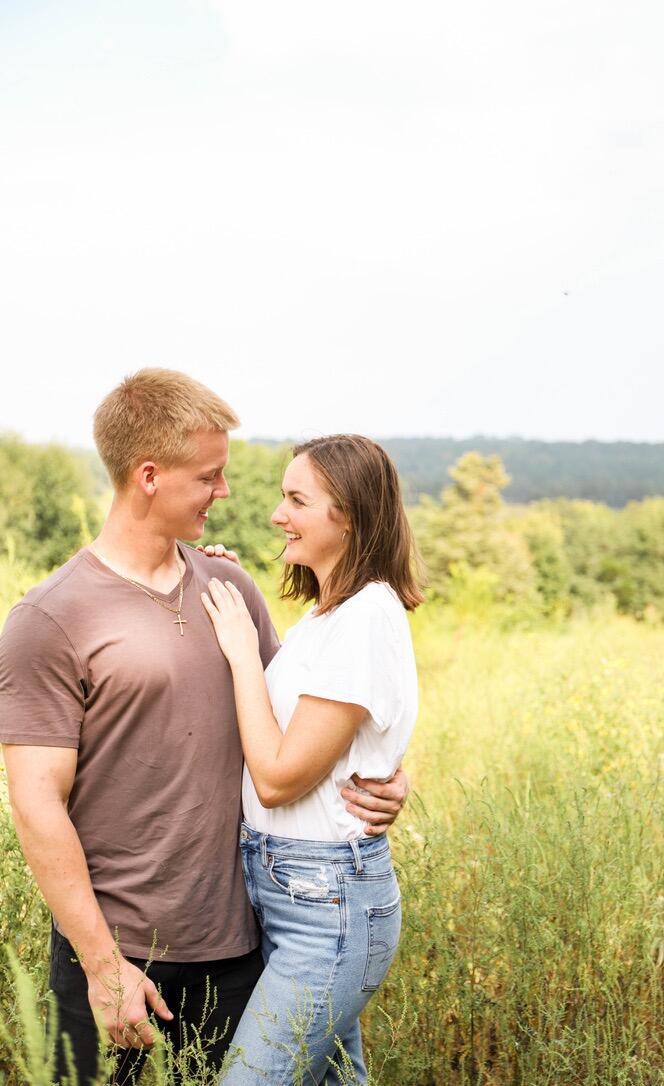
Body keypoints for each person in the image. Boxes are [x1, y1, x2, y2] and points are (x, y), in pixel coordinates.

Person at [0, 370, 408, 1086]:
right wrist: (103, 966)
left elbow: (302, 726)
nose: (226, 492)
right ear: (149, 476)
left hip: (243, 951)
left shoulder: (232, 589)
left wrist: (382, 779)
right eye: (211, 476)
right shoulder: (49, 620)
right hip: (120, 960)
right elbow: (36, 806)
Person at [199, 434, 423, 1085]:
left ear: (348, 515)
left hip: (326, 904)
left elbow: (276, 778)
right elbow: (326, 741)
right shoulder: (327, 621)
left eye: (296, 499)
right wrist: (213, 578)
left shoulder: (366, 618)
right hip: (290, 893)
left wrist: (242, 648)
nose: (277, 514)